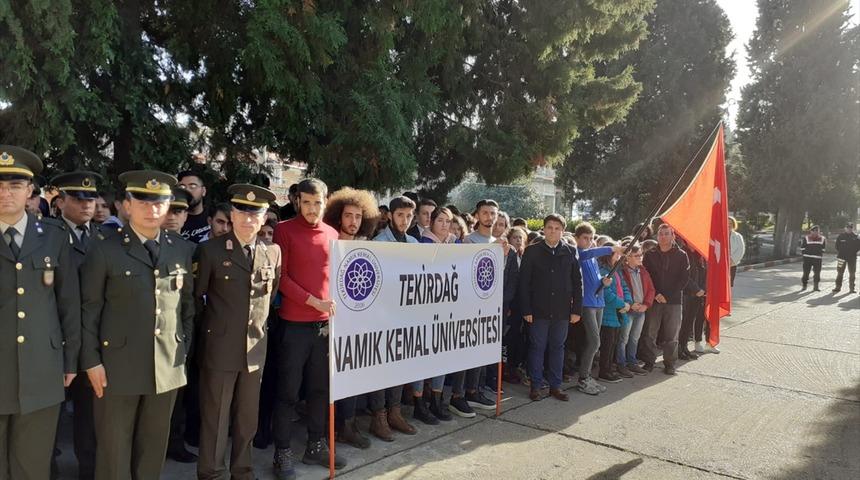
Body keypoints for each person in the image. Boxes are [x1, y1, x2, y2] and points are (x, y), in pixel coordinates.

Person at [80, 170, 195, 479]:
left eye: (159, 202)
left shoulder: (180, 248)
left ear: (169, 205)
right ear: (127, 205)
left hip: (166, 365)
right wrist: (91, 361)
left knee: (152, 449)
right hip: (116, 366)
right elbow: (89, 310)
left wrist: (181, 351)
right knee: (114, 450)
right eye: (142, 201)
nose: (151, 209)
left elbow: (186, 308)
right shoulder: (104, 248)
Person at [0, 146, 81, 479]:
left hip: (42, 370)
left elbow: (68, 302)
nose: (5, 193)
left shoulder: (53, 237)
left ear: (30, 190)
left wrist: (70, 361)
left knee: (32, 466)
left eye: (15, 185)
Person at [195, 184, 282, 480]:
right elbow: (196, 298)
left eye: (254, 214)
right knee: (216, 417)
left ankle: (242, 471)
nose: (248, 219)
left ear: (263, 218)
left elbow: (268, 298)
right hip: (220, 347)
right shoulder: (210, 251)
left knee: (247, 418)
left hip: (255, 348)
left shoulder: (273, 252)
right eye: (242, 212)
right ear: (232, 214)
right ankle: (212, 473)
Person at [272, 178, 345, 479]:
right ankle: (282, 451)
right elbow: (282, 278)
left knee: (320, 389)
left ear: (326, 202)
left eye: (318, 202)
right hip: (294, 325)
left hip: (324, 327)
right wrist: (312, 301)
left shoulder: (332, 233)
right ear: (297, 201)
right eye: (307, 202)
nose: (312, 208)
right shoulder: (284, 230)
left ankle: (316, 444)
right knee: (288, 391)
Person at [52, 170, 105, 479]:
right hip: (54, 338)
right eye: (78, 198)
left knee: (88, 416)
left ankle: (90, 470)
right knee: (50, 416)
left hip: (90, 340)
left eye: (91, 198)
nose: (87, 205)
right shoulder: (48, 235)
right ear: (61, 202)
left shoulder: (104, 237)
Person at [322, 187, 380, 449]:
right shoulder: (327, 243)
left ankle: (348, 425)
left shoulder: (369, 247)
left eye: (358, 216)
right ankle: (329, 429)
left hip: (358, 325)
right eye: (348, 215)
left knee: (353, 379)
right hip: (327, 322)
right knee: (325, 382)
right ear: (338, 216)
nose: (353, 221)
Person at [366, 196, 420, 440]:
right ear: (390, 215)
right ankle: (378, 417)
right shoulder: (378, 242)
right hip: (380, 316)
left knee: (399, 365)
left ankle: (395, 413)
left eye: (409, 216)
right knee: (380, 366)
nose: (405, 220)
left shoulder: (413, 242)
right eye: (401, 215)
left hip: (404, 316)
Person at [518, 214, 583, 401]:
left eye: (557, 228)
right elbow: (524, 283)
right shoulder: (532, 251)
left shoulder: (570, 251)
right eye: (549, 227)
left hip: (562, 311)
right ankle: (536, 386)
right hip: (538, 310)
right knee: (537, 347)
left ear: (563, 231)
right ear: (544, 229)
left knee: (558, 347)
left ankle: (555, 386)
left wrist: (576, 309)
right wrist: (527, 310)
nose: (553, 231)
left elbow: (577, 282)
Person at [449, 199, 500, 414]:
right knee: (464, 352)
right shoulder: (467, 241)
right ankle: (456, 395)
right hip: (467, 305)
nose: (489, 217)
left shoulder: (498, 243)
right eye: (485, 212)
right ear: (477, 215)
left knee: (480, 350)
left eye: (493, 213)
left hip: (488, 306)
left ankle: (473, 391)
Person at [411, 207, 458, 424]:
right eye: (440, 220)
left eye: (448, 221)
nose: (445, 225)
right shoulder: (424, 242)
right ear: (431, 222)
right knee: (422, 359)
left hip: (446, 308)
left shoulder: (454, 242)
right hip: (425, 310)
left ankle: (437, 401)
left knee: (442, 356)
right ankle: (419, 404)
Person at [572, 222, 623, 395]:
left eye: (591, 238)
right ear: (577, 239)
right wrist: (611, 249)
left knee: (593, 342)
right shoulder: (579, 253)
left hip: (598, 301)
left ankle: (586, 376)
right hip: (587, 304)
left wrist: (603, 280)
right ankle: (583, 378)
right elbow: (588, 253)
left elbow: (594, 277)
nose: (588, 241)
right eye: (585, 238)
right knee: (595, 341)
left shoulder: (592, 258)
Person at [640, 224, 690, 375]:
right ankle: (649, 362)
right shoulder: (650, 255)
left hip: (673, 301)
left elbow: (684, 279)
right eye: (660, 234)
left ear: (672, 236)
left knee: (671, 334)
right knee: (650, 333)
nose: (663, 236)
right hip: (654, 299)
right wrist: (656, 293)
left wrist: (666, 295)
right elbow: (646, 276)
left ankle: (670, 364)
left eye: (666, 234)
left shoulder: (682, 255)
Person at [597, 243, 632, 383]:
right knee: (607, 343)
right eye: (616, 254)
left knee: (613, 342)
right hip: (608, 313)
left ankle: (609, 368)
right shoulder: (603, 271)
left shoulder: (616, 271)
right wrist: (622, 304)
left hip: (618, 312)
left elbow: (624, 287)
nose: (618, 256)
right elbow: (606, 293)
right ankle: (604, 371)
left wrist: (628, 302)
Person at [620, 244, 654, 375]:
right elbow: (622, 290)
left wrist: (646, 304)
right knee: (623, 338)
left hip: (641, 310)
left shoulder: (643, 271)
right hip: (629, 309)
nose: (640, 257)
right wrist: (630, 303)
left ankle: (632, 362)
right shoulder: (622, 272)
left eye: (641, 255)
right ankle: (621, 364)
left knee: (635, 338)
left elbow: (651, 289)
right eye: (637, 255)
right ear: (628, 257)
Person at [502, 226, 528, 384]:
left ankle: (513, 367)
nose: (518, 241)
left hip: (521, 305)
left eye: (521, 238)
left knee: (517, 338)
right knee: (508, 338)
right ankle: (505, 369)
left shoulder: (524, 257)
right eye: (515, 238)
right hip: (510, 304)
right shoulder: (509, 256)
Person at [678, 243, 706, 360]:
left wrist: (703, 289)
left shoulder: (699, 254)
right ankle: (679, 349)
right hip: (687, 293)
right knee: (683, 323)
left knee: (689, 323)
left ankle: (684, 347)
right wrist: (696, 289)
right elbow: (683, 275)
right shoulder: (683, 253)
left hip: (697, 295)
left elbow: (704, 273)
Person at [178, 170, 211, 243]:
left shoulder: (214, 215)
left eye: (192, 186)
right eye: (182, 187)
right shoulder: (173, 219)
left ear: (203, 191)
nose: (187, 190)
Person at [833, 223, 858, 293]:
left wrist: (852, 252)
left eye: (850, 228)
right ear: (845, 228)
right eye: (848, 228)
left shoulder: (855, 237)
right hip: (841, 258)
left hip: (852, 258)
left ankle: (852, 288)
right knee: (840, 272)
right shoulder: (841, 236)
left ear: (852, 228)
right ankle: (837, 287)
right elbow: (837, 246)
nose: (849, 229)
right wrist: (842, 252)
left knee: (852, 273)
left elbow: (858, 246)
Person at [800, 225, 825, 291]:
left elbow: (823, 248)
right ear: (811, 231)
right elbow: (802, 247)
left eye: (817, 231)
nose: (816, 232)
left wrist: (819, 254)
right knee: (806, 273)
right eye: (814, 231)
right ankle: (804, 285)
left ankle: (816, 286)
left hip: (817, 258)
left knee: (817, 273)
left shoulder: (822, 238)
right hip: (807, 258)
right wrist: (805, 255)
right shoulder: (806, 238)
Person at [728, 216, 745, 287]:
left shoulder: (738, 236)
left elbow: (741, 250)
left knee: (729, 284)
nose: (728, 225)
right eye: (727, 223)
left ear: (733, 225)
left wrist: (732, 260)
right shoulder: (718, 235)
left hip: (732, 264)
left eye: (731, 223)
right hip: (720, 265)